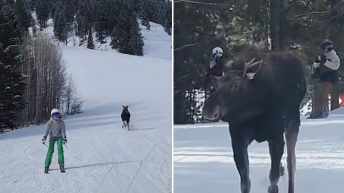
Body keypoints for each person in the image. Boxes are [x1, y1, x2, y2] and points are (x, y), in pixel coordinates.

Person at [309, 39, 341, 119]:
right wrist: (316, 63)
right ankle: (317, 112)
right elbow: (316, 66)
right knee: (317, 96)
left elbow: (335, 66)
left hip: (330, 78)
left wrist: (325, 62)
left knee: (324, 95)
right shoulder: (322, 56)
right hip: (322, 77)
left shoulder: (334, 56)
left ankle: (325, 111)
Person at [42, 109, 67, 173]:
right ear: (52, 116)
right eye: (54, 115)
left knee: (60, 150)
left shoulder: (61, 122)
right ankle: (46, 166)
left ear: (59, 115)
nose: (56, 117)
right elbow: (46, 130)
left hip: (59, 137)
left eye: (57, 115)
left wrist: (64, 138)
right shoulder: (50, 122)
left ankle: (61, 165)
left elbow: (63, 131)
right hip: (52, 138)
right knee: (50, 151)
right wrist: (44, 137)